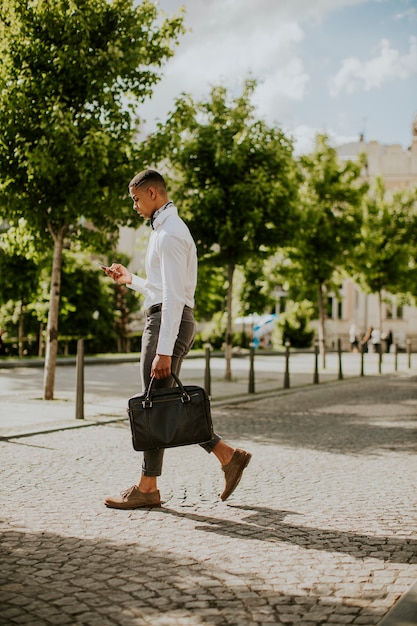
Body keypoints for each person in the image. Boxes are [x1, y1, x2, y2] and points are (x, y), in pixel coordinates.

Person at [103, 169, 251, 510]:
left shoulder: (169, 234)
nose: (135, 206)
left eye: (137, 199)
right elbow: (162, 289)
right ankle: (227, 456)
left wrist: (164, 350)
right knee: (160, 402)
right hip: (167, 318)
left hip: (167, 323)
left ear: (153, 193)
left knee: (153, 404)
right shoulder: (165, 230)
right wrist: (130, 280)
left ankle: (149, 487)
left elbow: (173, 298)